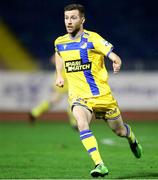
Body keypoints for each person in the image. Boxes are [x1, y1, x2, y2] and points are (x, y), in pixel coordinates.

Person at [54, 3, 142, 178]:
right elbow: (58, 53)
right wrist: (59, 75)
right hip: (79, 97)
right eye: (66, 18)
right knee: (81, 123)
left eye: (73, 17)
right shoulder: (60, 42)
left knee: (120, 131)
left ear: (82, 19)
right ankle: (99, 164)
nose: (69, 21)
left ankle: (131, 137)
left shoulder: (93, 38)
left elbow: (110, 52)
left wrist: (116, 60)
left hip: (102, 96)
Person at [29, 55, 77, 130]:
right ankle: (34, 112)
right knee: (55, 100)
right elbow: (53, 59)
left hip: (71, 80)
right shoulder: (63, 49)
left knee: (72, 102)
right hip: (63, 79)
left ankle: (74, 123)